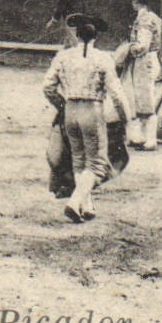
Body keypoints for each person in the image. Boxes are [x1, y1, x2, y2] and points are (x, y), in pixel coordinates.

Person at [42, 14, 129, 223]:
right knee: (97, 164)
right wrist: (125, 116)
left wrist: (62, 105)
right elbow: (117, 94)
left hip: (70, 110)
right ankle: (74, 202)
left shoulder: (63, 56)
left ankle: (86, 206)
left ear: (77, 35)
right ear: (95, 37)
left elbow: (48, 87)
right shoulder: (102, 58)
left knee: (79, 160)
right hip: (92, 111)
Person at [123, 0, 162, 151]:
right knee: (144, 99)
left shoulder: (144, 19)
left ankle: (150, 139)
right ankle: (141, 137)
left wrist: (129, 49)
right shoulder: (154, 17)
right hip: (152, 59)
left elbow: (142, 46)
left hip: (144, 60)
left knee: (145, 100)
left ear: (136, 2)